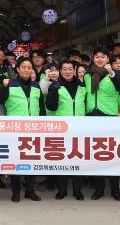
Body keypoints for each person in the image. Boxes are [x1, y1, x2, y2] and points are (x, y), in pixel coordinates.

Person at [75, 48, 120, 201]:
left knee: (112, 154)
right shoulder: (88, 75)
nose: (99, 59)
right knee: (96, 154)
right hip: (92, 115)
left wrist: (111, 72)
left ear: (107, 58)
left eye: (102, 57)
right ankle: (99, 189)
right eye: (96, 56)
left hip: (109, 116)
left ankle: (115, 190)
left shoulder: (115, 74)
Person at [0, 58, 42, 202]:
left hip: (34, 129)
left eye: (29, 67)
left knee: (32, 160)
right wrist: (4, 87)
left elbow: (41, 108)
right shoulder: (10, 84)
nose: (27, 70)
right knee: (15, 160)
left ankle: (30, 190)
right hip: (15, 129)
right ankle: (15, 191)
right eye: (24, 67)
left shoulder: (36, 86)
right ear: (18, 69)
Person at [45, 59, 84, 200]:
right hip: (62, 128)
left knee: (78, 158)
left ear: (74, 70)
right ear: (60, 71)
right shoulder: (55, 85)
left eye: (70, 69)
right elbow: (50, 107)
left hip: (80, 127)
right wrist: (53, 92)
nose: (67, 71)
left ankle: (77, 190)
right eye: (64, 69)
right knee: (61, 158)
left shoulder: (82, 85)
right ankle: (62, 190)